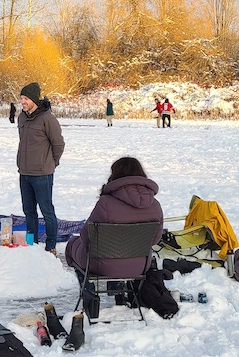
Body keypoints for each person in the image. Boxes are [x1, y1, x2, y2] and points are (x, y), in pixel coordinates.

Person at [65, 157, 164, 278]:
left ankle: (88, 291)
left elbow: (86, 237)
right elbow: (155, 240)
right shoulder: (155, 205)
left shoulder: (106, 203)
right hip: (140, 266)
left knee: (72, 244)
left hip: (102, 266)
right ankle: (119, 290)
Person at [17, 82, 64, 255]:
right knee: (29, 211)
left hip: (42, 174)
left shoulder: (47, 119)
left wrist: (52, 163)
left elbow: (58, 144)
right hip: (24, 173)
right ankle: (31, 245)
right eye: (21, 98)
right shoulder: (21, 117)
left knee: (47, 211)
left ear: (34, 100)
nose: (23, 101)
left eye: (26, 98)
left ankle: (51, 246)